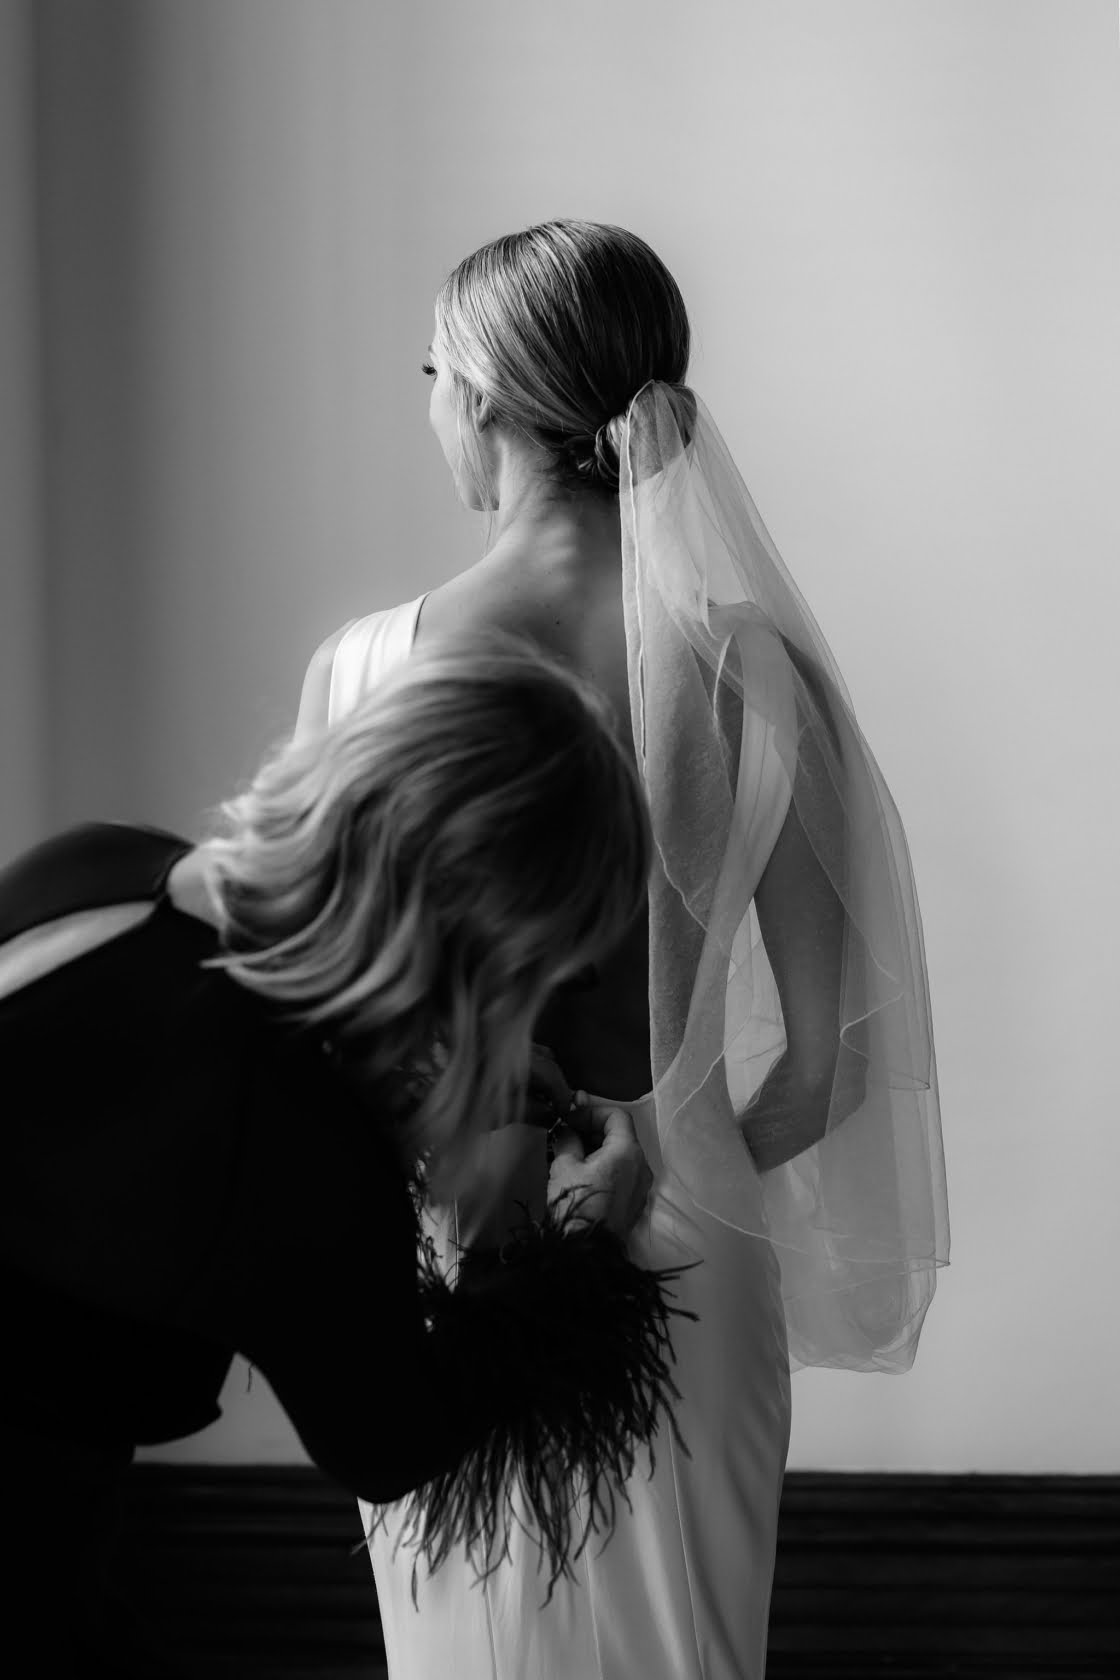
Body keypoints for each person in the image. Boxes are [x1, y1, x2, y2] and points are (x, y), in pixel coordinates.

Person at [298, 219, 950, 1680]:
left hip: (456, 1259)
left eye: (432, 375)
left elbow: (324, 1032)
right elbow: (834, 1059)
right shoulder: (754, 673)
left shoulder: (362, 673)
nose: (432, 409)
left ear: (482, 392)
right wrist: (666, 1153)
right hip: (693, 1265)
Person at [0, 636, 695, 1678]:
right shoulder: (287, 1131)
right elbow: (391, 1440)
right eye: (546, 969)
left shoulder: (98, 868)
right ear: (482, 940)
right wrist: (577, 1248)